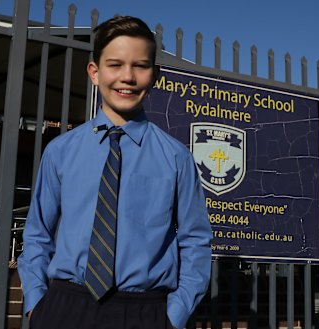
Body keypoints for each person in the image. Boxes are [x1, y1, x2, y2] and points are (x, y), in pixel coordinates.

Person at [18, 16, 212, 329]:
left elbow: (195, 240)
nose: (128, 77)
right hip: (64, 306)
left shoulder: (177, 158)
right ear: (94, 72)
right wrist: (37, 303)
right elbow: (38, 232)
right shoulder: (60, 151)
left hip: (144, 310)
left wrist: (173, 316)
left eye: (140, 65)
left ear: (155, 75)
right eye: (115, 64)